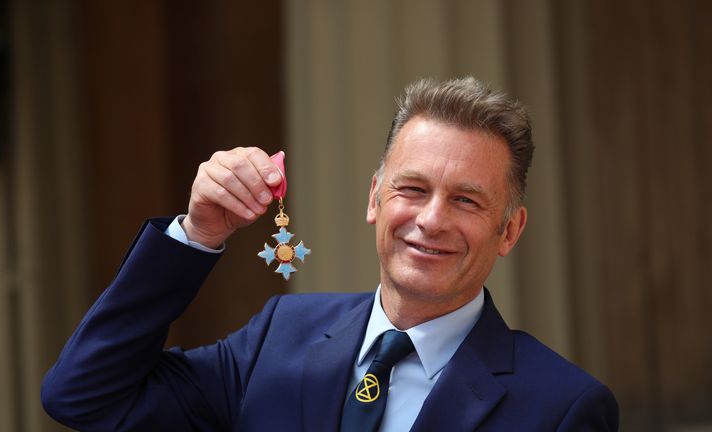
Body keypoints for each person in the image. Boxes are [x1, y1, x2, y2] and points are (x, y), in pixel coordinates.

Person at [42, 77, 619, 431]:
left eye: (466, 200)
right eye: (412, 189)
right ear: (375, 197)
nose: (431, 219)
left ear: (510, 230)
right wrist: (197, 232)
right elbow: (84, 395)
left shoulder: (563, 408)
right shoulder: (279, 336)